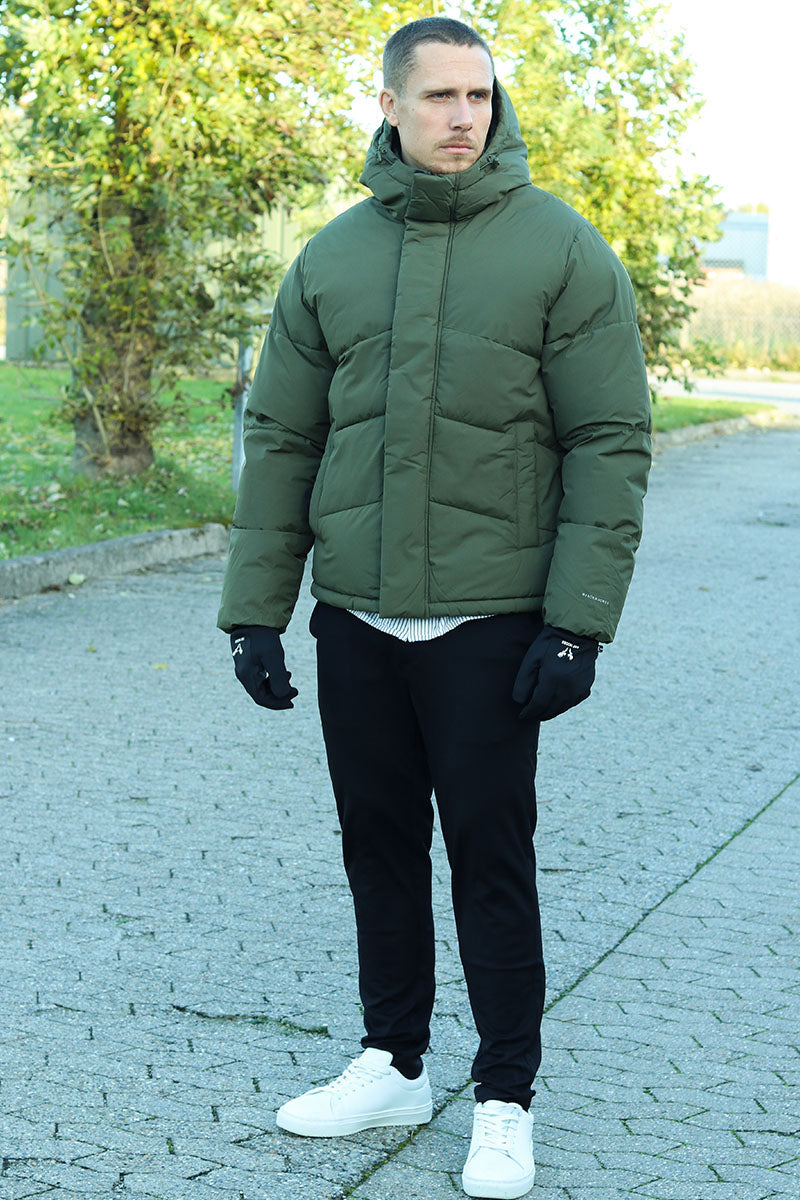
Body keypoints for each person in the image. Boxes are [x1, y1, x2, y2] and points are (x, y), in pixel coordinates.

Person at [218, 16, 651, 1199]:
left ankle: (504, 1097)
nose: (464, 116)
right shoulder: (333, 257)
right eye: (440, 96)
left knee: (488, 859)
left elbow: (608, 440)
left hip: (489, 619)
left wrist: (577, 624)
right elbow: (283, 437)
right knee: (376, 847)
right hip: (356, 616)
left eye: (480, 95)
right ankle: (392, 1063)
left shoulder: (560, 249)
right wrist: (255, 612)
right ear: (389, 104)